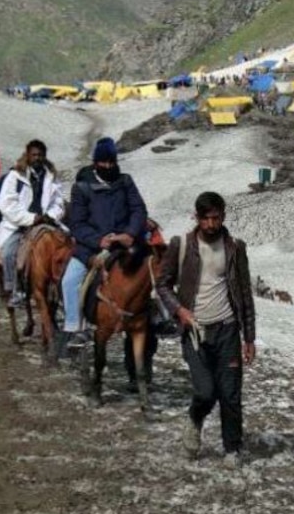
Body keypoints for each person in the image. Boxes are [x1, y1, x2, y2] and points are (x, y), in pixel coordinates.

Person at [156, 191, 256, 468]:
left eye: (216, 218)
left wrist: (249, 337)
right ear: (197, 218)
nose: (211, 224)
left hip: (227, 329)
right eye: (206, 219)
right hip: (195, 331)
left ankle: (232, 448)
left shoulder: (235, 247)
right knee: (205, 391)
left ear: (223, 216)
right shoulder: (182, 246)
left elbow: (244, 293)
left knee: (230, 393)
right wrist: (180, 310)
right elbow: (162, 284)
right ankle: (195, 419)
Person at [61, 137, 148, 351]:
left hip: (124, 242)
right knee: (70, 280)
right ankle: (76, 327)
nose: (108, 166)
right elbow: (77, 223)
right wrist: (98, 240)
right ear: (96, 162)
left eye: (111, 162)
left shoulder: (125, 181)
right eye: (104, 162)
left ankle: (161, 316)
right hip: (92, 245)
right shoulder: (82, 187)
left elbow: (138, 209)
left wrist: (129, 233)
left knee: (152, 270)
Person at [0, 140, 64, 308]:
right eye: (34, 155)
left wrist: (50, 215)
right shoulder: (15, 176)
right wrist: (30, 218)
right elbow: (7, 204)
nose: (37, 158)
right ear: (27, 155)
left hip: (46, 222)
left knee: (67, 247)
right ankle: (14, 289)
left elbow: (58, 202)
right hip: (20, 224)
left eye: (40, 155)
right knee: (9, 252)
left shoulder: (52, 176)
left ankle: (60, 288)